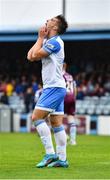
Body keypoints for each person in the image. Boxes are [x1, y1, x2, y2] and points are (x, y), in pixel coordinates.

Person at [27, 15, 68, 168]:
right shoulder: (47, 41)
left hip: (54, 88)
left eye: (51, 20)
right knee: (56, 124)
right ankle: (62, 159)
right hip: (56, 87)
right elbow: (30, 56)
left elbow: (36, 55)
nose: (47, 20)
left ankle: (50, 153)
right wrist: (40, 39)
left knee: (36, 117)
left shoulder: (55, 42)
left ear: (55, 27)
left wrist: (40, 39)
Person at [63, 63, 77, 145]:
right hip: (72, 97)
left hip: (64, 97)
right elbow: (75, 88)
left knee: (55, 118)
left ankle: (65, 136)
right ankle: (73, 140)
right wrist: (74, 98)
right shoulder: (70, 76)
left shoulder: (58, 75)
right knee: (71, 118)